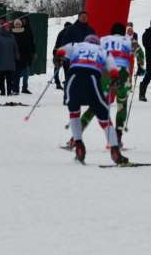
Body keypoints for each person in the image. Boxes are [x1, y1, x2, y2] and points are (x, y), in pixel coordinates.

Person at [54, 34, 127, 165]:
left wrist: (58, 59)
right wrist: (114, 78)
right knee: (103, 115)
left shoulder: (75, 45)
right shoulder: (103, 50)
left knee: (74, 113)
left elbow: (60, 51)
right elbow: (113, 69)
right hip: (91, 79)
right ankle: (115, 151)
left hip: (72, 79)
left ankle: (78, 145)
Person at [81, 22, 135, 149]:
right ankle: (118, 137)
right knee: (122, 104)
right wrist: (142, 67)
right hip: (123, 74)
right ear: (123, 32)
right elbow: (140, 53)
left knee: (98, 103)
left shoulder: (103, 39)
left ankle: (75, 136)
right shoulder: (128, 40)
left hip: (106, 73)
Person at [0, 22, 19, 96]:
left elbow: (15, 48)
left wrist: (17, 56)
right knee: (1, 79)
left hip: (10, 61)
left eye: (8, 27)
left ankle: (9, 91)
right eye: (6, 27)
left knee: (10, 79)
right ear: (3, 28)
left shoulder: (12, 37)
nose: (8, 28)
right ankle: (3, 91)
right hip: (1, 61)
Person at [13, 18, 36, 95]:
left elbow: (31, 42)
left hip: (25, 55)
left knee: (26, 72)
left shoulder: (26, 31)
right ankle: (15, 88)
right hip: (16, 56)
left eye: (23, 21)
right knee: (17, 73)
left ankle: (24, 87)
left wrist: (33, 52)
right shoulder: (12, 32)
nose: (23, 22)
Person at [53, 21, 72, 90]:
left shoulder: (61, 32)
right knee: (66, 69)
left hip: (57, 52)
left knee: (57, 68)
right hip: (63, 53)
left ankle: (57, 82)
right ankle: (66, 82)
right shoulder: (69, 34)